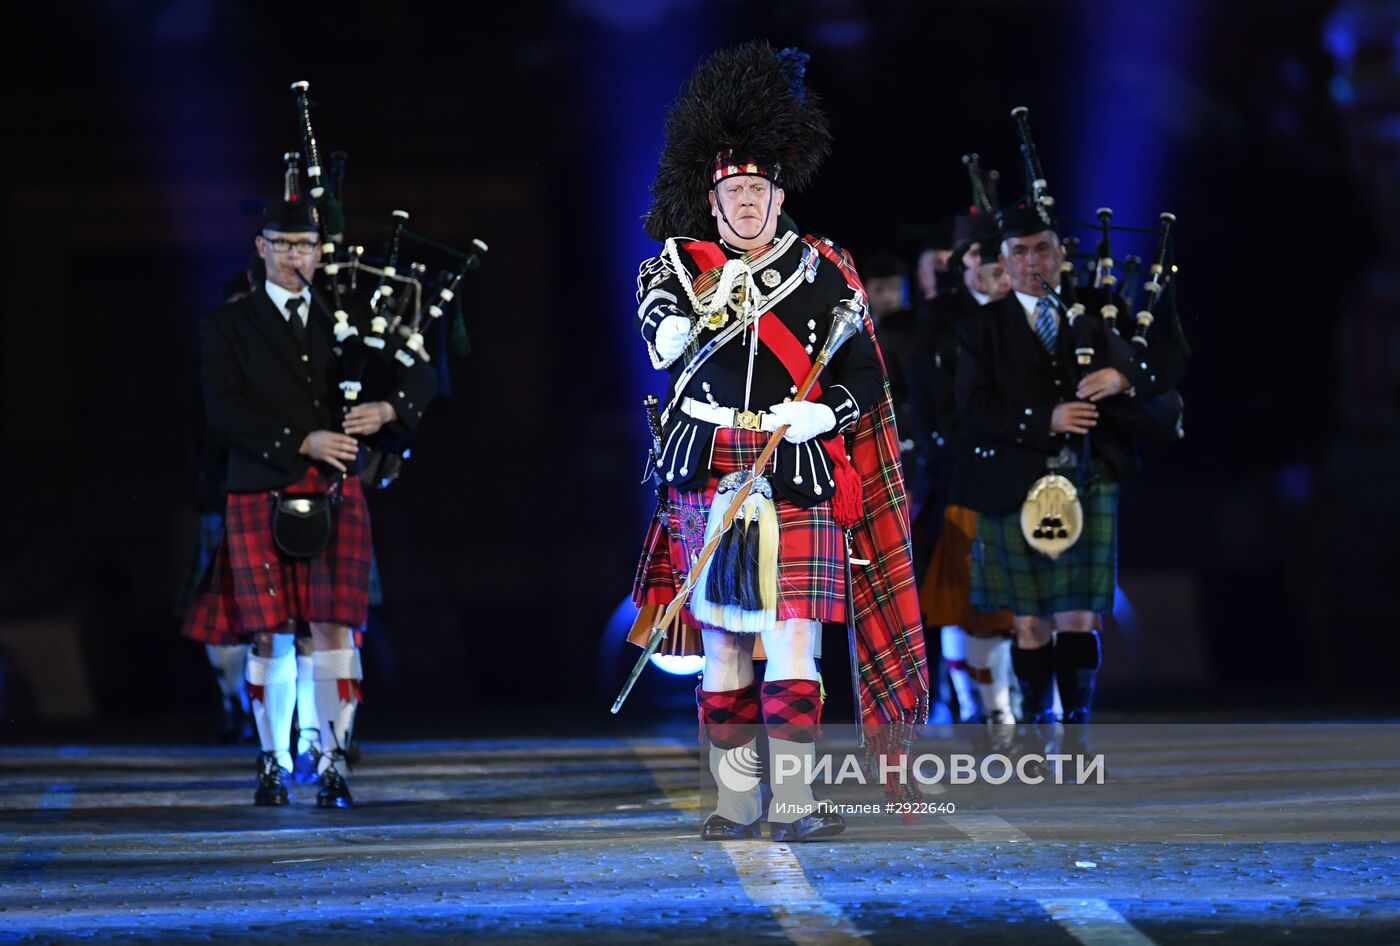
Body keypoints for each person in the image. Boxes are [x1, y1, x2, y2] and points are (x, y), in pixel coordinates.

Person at [629, 42, 928, 842]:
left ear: (780, 190)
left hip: (795, 463)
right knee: (725, 636)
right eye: (735, 192)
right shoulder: (672, 268)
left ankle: (793, 802)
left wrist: (824, 413)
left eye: (760, 189)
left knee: (794, 632)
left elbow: (865, 369)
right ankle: (732, 804)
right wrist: (698, 303)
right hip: (711, 465)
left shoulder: (826, 268)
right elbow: (660, 346)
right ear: (713, 200)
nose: (749, 204)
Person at [189, 197, 435, 808]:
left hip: (334, 490)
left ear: (320, 252)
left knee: (335, 629)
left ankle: (330, 764)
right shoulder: (229, 326)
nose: (295, 257)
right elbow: (223, 413)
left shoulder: (346, 317)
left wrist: (390, 410)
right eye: (284, 244)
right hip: (258, 486)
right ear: (261, 247)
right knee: (268, 633)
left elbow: (421, 371)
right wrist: (300, 439)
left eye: (306, 246)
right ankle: (271, 763)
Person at [954, 201, 1182, 747]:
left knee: (1077, 614)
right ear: (1004, 263)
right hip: (1015, 481)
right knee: (1030, 620)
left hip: (1088, 475)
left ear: (1059, 253)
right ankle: (1036, 728)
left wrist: (1122, 376)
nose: (1033, 261)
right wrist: (1044, 418)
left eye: (1042, 249)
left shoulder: (1098, 308)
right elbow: (972, 408)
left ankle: (1076, 731)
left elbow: (1169, 357)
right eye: (1020, 252)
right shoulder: (980, 327)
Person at [917, 231, 1019, 728]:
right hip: (962, 474)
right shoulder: (940, 320)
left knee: (1018, 604)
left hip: (1025, 473)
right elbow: (934, 402)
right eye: (988, 260)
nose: (1000, 271)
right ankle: (981, 706)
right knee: (967, 599)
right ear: (968, 266)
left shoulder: (1027, 316)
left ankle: (1018, 704)